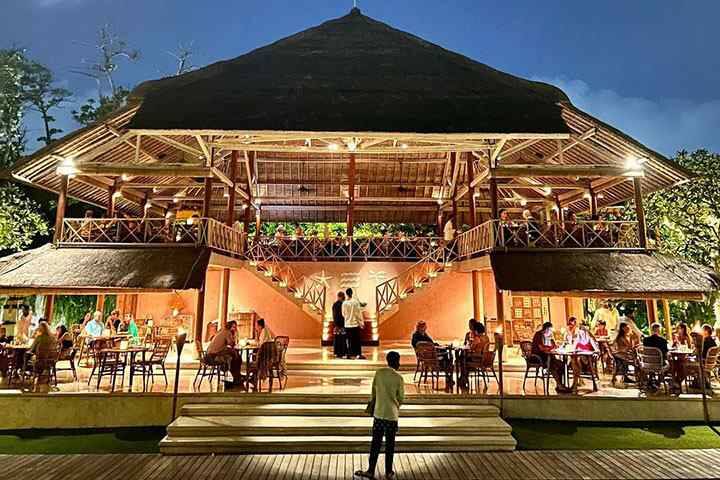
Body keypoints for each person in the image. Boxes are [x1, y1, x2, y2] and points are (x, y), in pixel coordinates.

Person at [355, 351, 404, 480]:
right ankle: (388, 472)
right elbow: (401, 398)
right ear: (397, 362)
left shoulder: (379, 373)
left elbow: (373, 393)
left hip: (379, 414)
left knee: (375, 443)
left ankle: (370, 470)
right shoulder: (399, 378)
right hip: (391, 416)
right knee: (390, 444)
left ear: (387, 361)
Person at [531, 322, 572, 393]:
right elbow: (541, 348)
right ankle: (559, 385)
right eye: (550, 329)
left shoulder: (547, 336)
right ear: (546, 329)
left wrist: (552, 344)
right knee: (552, 365)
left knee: (562, 365)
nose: (551, 331)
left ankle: (560, 385)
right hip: (538, 357)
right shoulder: (538, 335)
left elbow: (550, 346)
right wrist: (551, 347)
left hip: (546, 356)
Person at [206, 320, 243, 386]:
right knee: (235, 356)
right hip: (213, 356)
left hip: (208, 355)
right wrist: (235, 335)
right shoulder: (227, 332)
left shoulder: (221, 331)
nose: (234, 329)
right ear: (229, 327)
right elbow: (231, 343)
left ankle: (237, 377)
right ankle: (237, 377)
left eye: (235, 327)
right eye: (233, 327)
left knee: (234, 355)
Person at [342, 288, 366, 359]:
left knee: (348, 340)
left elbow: (343, 314)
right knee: (356, 340)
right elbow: (358, 313)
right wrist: (361, 322)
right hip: (355, 324)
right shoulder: (355, 302)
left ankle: (349, 354)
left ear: (346, 294)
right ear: (352, 293)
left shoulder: (344, 303)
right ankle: (358, 354)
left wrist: (347, 318)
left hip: (347, 324)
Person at [332, 291, 347, 358]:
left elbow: (334, 315)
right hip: (343, 324)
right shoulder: (344, 304)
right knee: (343, 338)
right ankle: (343, 352)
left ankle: (337, 352)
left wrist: (335, 323)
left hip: (337, 324)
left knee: (337, 338)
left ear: (338, 296)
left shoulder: (335, 304)